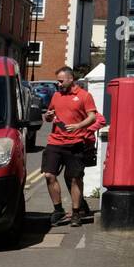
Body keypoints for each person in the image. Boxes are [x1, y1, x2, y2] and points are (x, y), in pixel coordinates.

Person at [41, 67, 97, 227]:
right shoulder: (56, 95)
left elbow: (93, 116)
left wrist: (78, 125)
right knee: (49, 175)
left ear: (71, 79)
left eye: (61, 81)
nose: (58, 84)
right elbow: (49, 115)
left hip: (75, 143)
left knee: (75, 179)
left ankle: (76, 212)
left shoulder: (84, 96)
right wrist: (48, 116)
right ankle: (58, 210)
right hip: (55, 142)